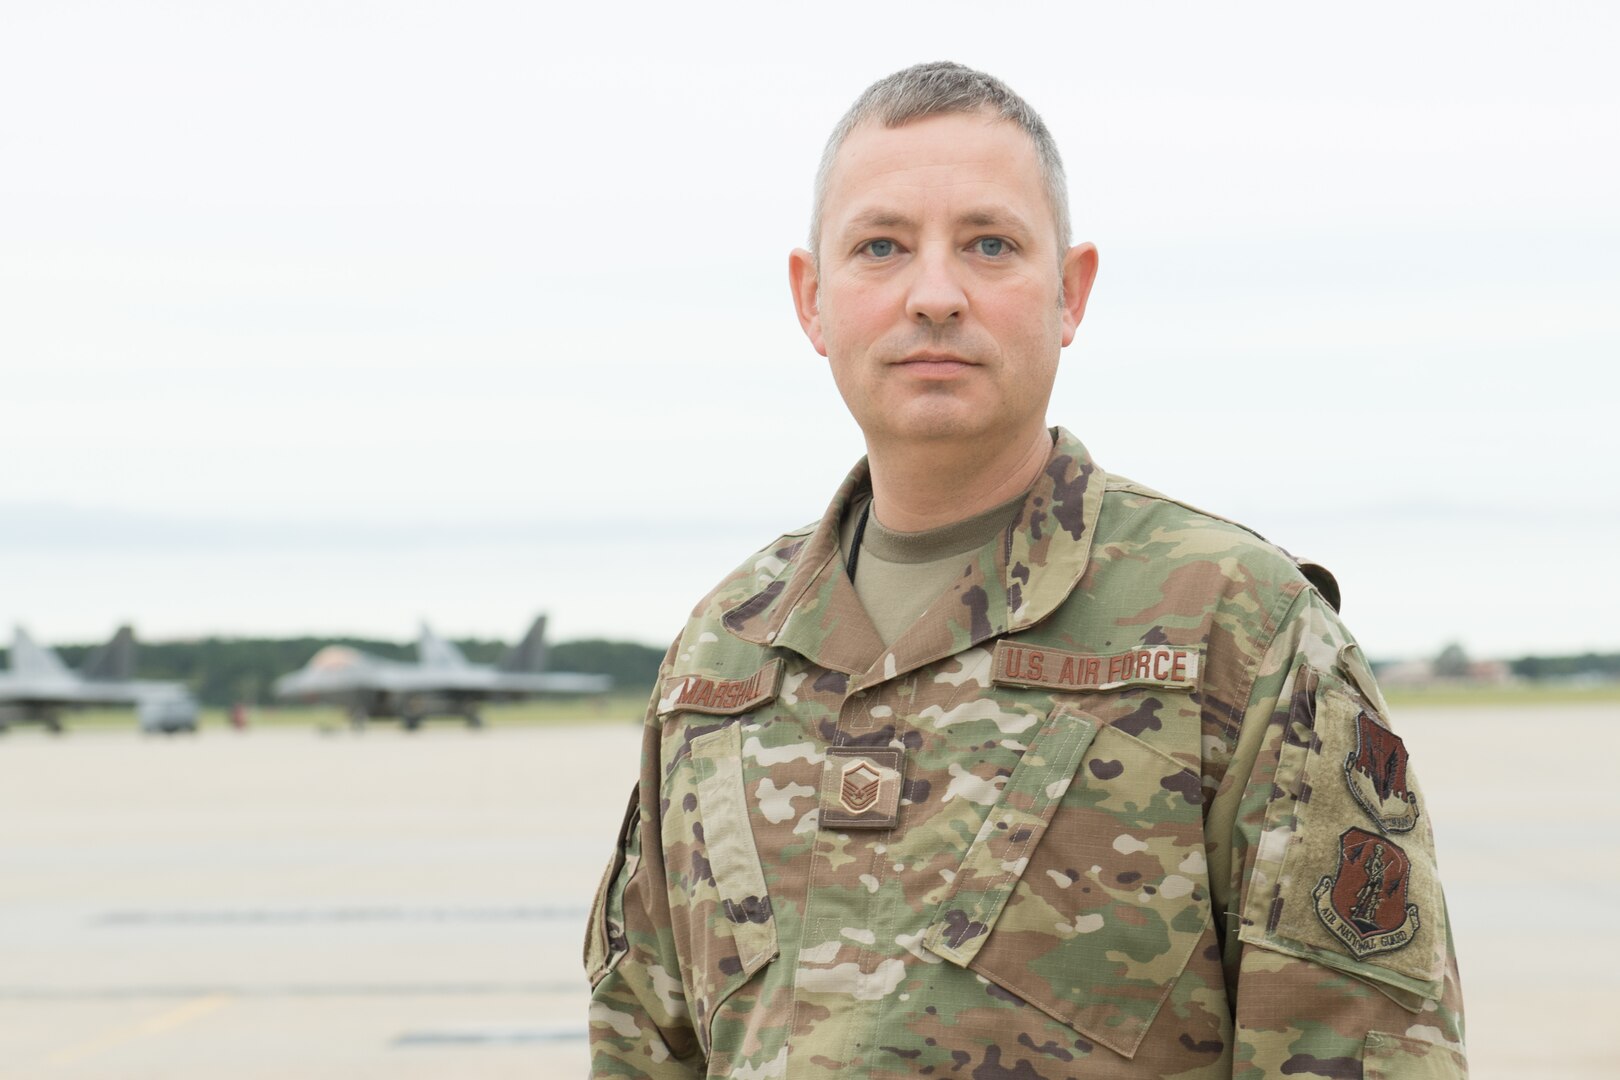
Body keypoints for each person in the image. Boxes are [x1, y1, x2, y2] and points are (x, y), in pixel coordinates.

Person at [584, 61, 1465, 1079]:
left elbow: (1354, 1053)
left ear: (1070, 291)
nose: (935, 296)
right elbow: (641, 1039)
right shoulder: (723, 650)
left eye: (989, 245)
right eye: (881, 247)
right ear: (812, 299)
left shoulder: (1236, 628)